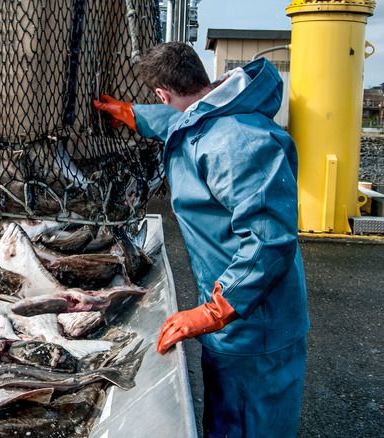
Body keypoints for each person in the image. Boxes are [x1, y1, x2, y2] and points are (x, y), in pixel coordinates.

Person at [95, 42, 310, 437]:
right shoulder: (213, 106)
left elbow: (269, 239)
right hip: (233, 311)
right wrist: (130, 113)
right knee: (225, 412)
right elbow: (178, 120)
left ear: (163, 91)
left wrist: (216, 310)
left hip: (254, 320)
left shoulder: (239, 144)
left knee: (248, 421)